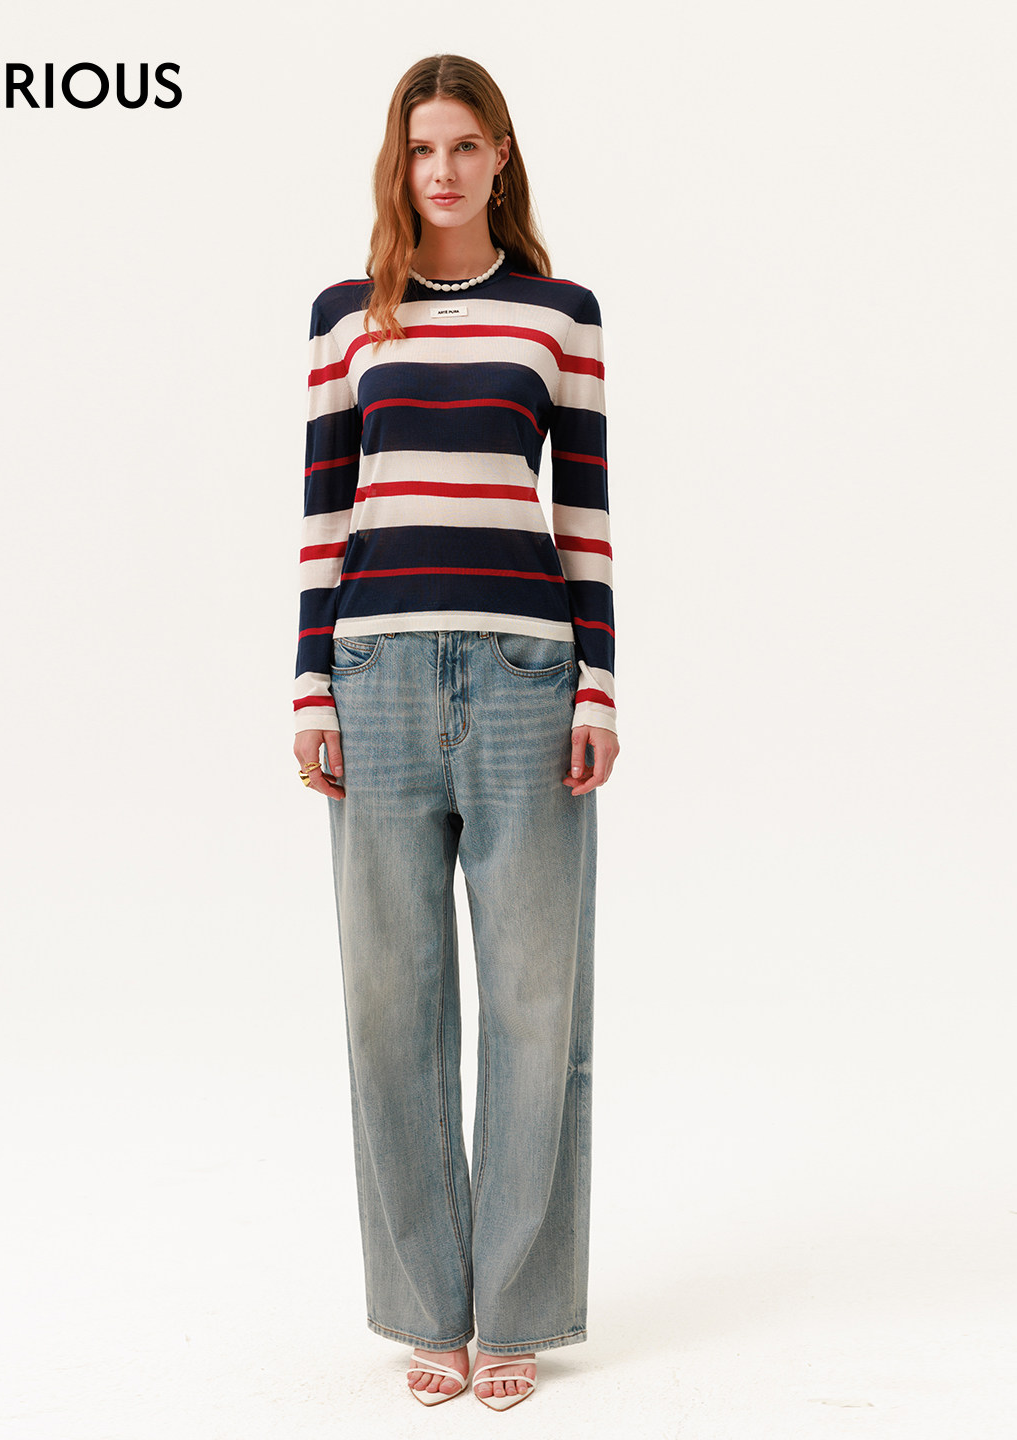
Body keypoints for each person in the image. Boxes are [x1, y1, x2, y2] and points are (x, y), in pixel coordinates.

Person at [291, 53, 618, 1411]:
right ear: (399, 161)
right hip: (374, 674)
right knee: (391, 1003)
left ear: (500, 157)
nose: (443, 170)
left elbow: (582, 514)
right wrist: (309, 687)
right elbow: (326, 514)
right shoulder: (346, 318)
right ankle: (429, 1305)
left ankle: (519, 1310)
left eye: (465, 146)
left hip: (528, 674)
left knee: (536, 1003)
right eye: (422, 148)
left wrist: (598, 685)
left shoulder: (560, 315)